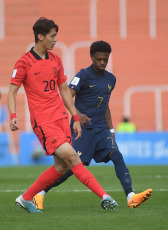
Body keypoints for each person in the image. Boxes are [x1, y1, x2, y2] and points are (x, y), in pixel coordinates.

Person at [8, 18, 117, 213]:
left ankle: (25, 198)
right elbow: (12, 91)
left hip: (60, 118)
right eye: (52, 36)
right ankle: (105, 196)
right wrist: (13, 115)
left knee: (62, 167)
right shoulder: (24, 62)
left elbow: (65, 90)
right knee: (73, 158)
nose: (55, 40)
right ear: (40, 36)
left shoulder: (56, 60)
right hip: (43, 121)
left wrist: (75, 117)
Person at [33, 41, 152, 210]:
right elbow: (67, 97)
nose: (102, 62)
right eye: (99, 59)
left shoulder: (111, 79)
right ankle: (40, 193)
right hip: (82, 130)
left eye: (105, 59)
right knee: (69, 167)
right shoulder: (83, 75)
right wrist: (77, 114)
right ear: (91, 57)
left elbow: (105, 106)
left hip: (101, 129)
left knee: (117, 156)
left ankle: (131, 196)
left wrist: (111, 129)